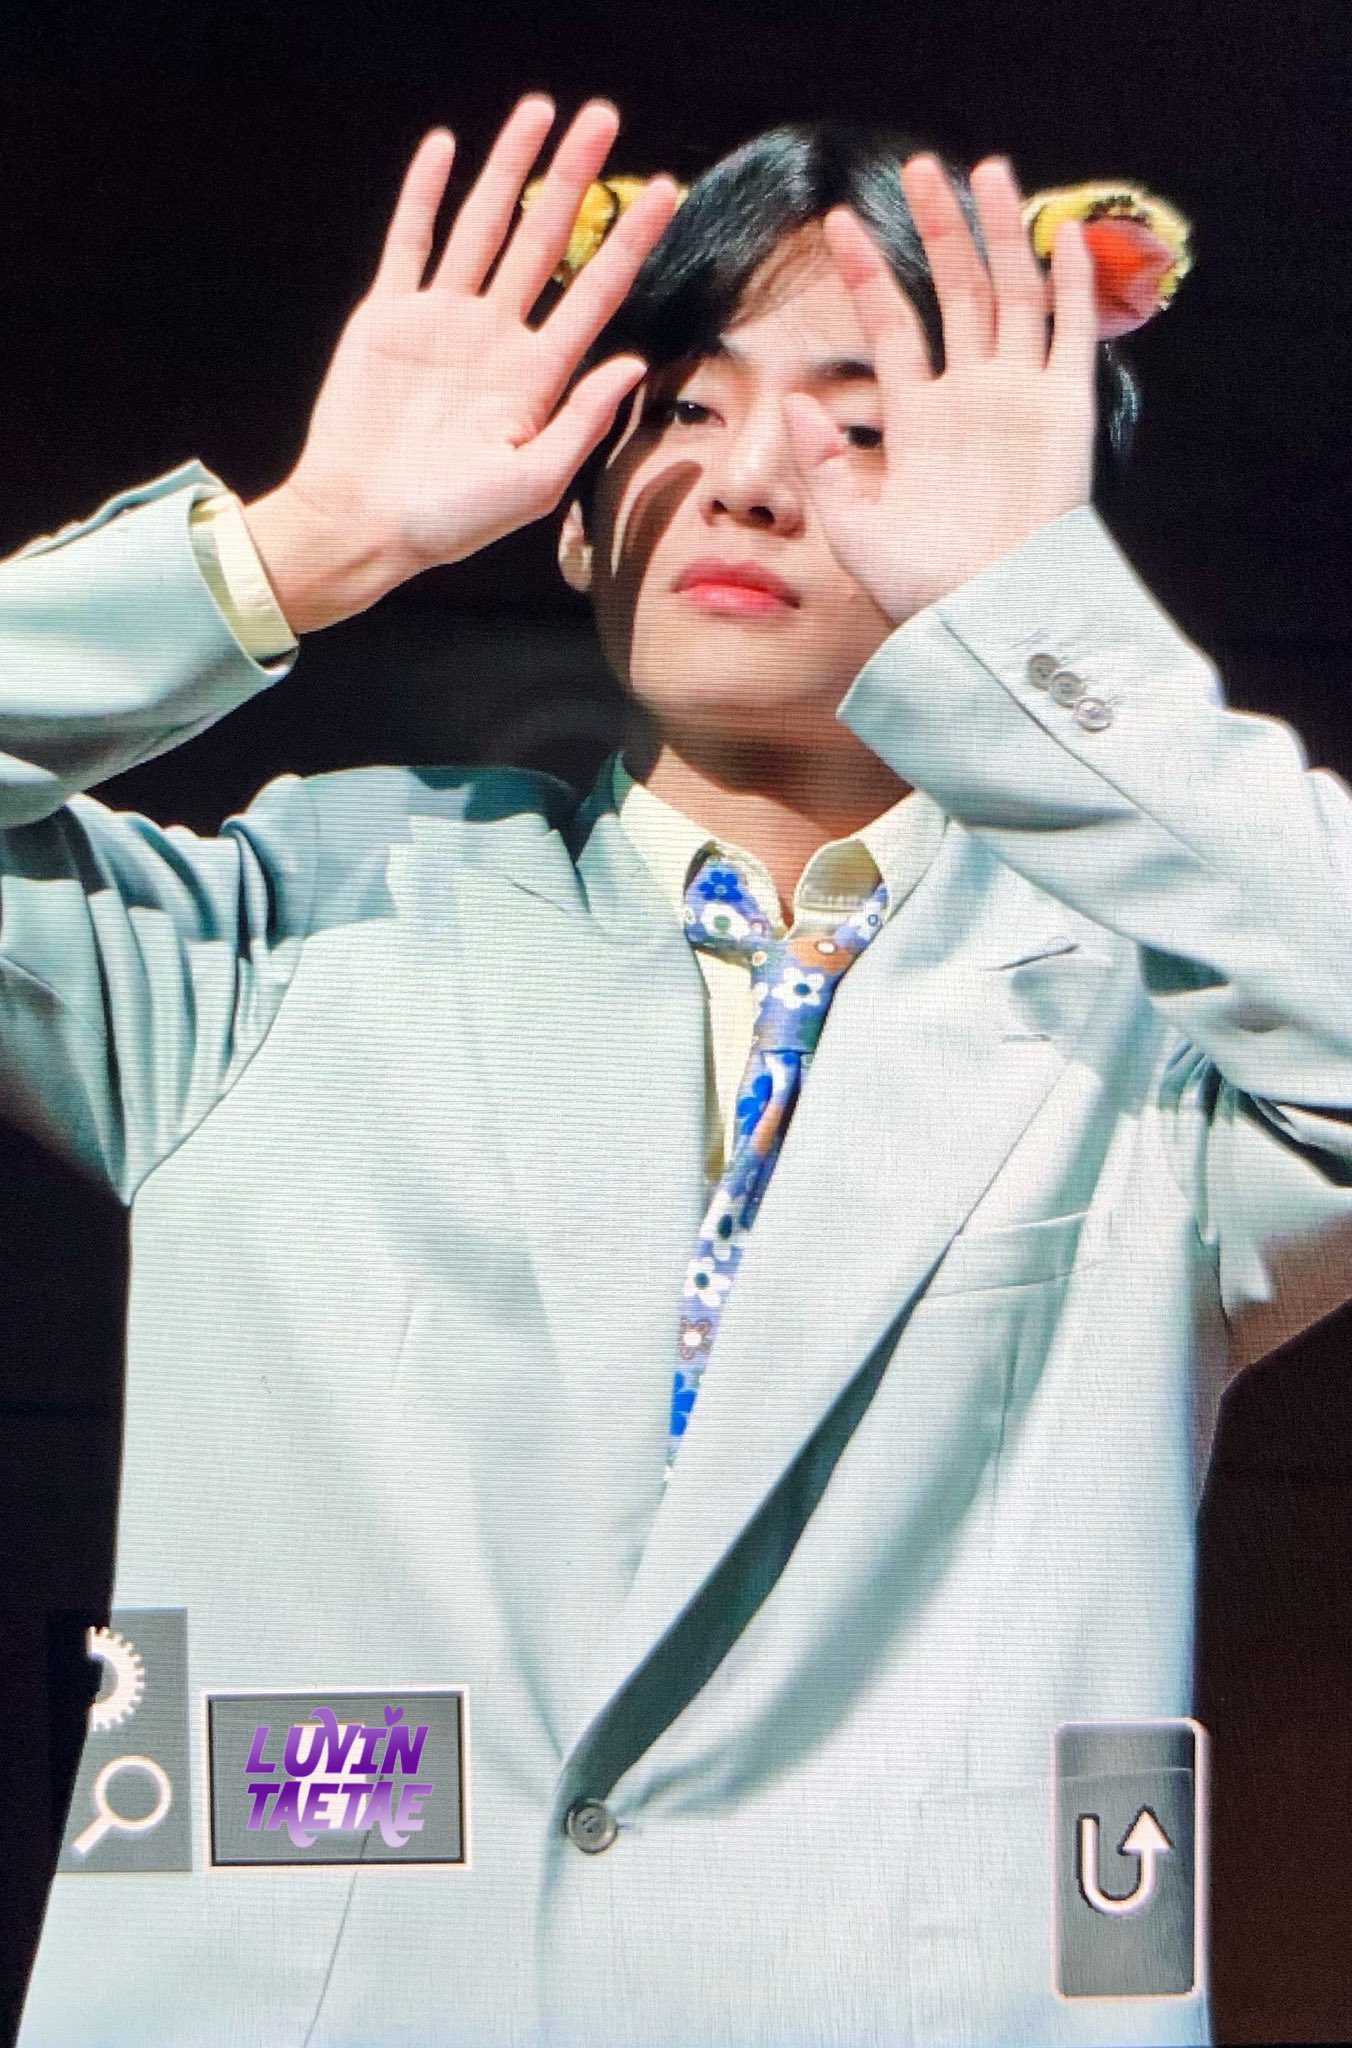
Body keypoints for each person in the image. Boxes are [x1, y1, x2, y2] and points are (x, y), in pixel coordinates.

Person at [6, 89, 1351, 2048]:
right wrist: (296, 542)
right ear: (573, 505)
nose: (748, 481)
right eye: (685, 411)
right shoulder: (286, 923)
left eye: (865, 430)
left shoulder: (1153, 1032)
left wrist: (1042, 628)